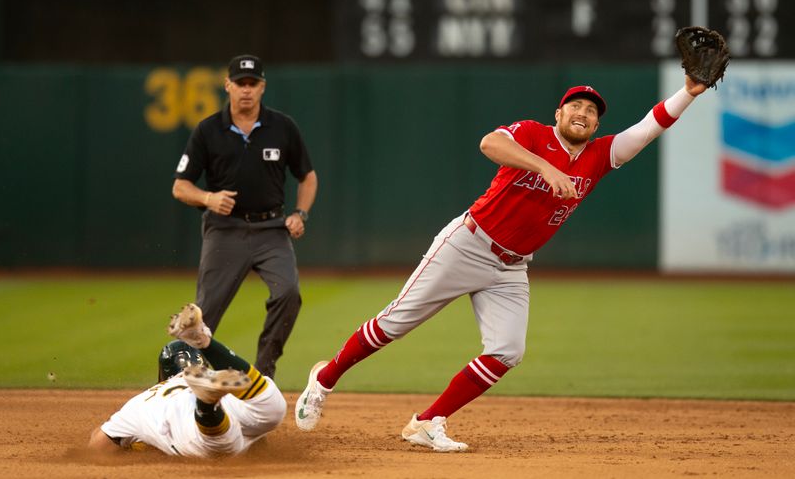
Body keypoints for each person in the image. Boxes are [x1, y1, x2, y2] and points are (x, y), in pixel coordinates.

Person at [294, 73, 710, 452]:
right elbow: (489, 144)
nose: (583, 112)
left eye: (591, 110)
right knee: (393, 324)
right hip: (467, 245)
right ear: (558, 113)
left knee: (508, 350)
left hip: (511, 267)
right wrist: (545, 166)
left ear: (597, 125)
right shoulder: (532, 133)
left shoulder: (599, 156)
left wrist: (687, 93)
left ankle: (427, 422)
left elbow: (648, 126)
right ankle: (324, 379)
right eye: (576, 106)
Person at [172, 54, 318, 378]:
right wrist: (208, 197)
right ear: (228, 85)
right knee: (203, 316)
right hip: (225, 230)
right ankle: (176, 383)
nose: (247, 90)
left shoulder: (282, 127)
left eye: (253, 83)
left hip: (271, 228)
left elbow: (307, 176)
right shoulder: (208, 130)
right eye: (240, 83)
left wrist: (300, 214)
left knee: (288, 294)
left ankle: (263, 373)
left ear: (263, 87)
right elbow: (180, 187)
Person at [88, 303, 287, 457]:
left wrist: (134, 445)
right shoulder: (217, 379)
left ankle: (207, 403)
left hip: (193, 427)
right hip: (234, 402)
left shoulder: (141, 403)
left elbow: (97, 446)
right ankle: (206, 343)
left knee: (222, 444)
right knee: (272, 408)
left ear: (163, 373)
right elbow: (257, 439)